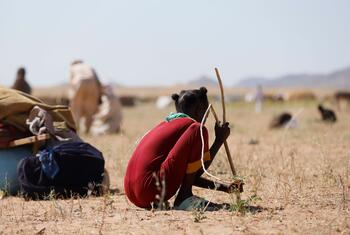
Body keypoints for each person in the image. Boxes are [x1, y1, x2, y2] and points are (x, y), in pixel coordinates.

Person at [124, 87, 243, 211]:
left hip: (132, 194)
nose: (205, 119)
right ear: (199, 110)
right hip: (150, 191)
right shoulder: (193, 128)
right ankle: (184, 198)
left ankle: (184, 197)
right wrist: (219, 141)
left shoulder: (163, 125)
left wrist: (226, 188)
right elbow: (198, 170)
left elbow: (188, 174)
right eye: (206, 115)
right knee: (198, 129)